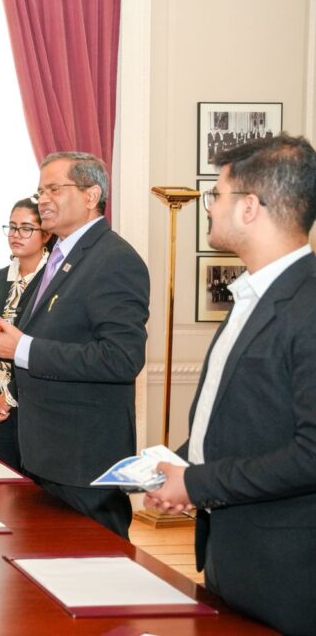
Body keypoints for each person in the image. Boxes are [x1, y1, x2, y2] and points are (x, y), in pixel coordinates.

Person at [145, 134, 316, 635]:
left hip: (286, 570)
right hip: (234, 553)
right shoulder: (252, 294)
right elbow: (241, 415)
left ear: (249, 207)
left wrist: (196, 483)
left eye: (214, 195)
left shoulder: (307, 305)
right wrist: (179, 469)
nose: (208, 207)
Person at [0, 152, 149, 539]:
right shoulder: (60, 259)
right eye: (40, 191)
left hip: (83, 460)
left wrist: (21, 349)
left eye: (54, 189)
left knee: (93, 576)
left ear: (91, 195)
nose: (43, 200)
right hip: (45, 454)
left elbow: (122, 358)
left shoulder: (113, 259)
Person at [0, 198, 52, 471]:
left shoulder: (53, 281)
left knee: (33, 503)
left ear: (46, 234)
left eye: (26, 228)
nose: (16, 234)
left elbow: (46, 348)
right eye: (12, 227)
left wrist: (10, 397)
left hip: (34, 411)